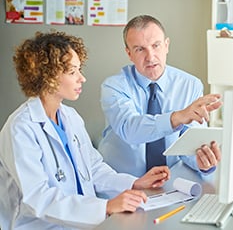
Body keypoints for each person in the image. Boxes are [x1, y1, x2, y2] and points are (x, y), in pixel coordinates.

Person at [0, 30, 171, 229]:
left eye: (79, 70)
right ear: (48, 77)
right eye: (73, 72)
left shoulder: (71, 117)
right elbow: (38, 198)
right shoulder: (21, 128)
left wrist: (134, 184)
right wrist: (106, 206)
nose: (82, 79)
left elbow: (94, 169)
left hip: (81, 224)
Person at [98, 15, 223, 177]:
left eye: (156, 46)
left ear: (166, 45)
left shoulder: (190, 85)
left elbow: (189, 142)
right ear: (129, 54)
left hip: (167, 181)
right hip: (121, 182)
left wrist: (201, 162)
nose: (150, 57)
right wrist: (177, 117)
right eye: (140, 49)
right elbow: (130, 129)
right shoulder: (113, 86)